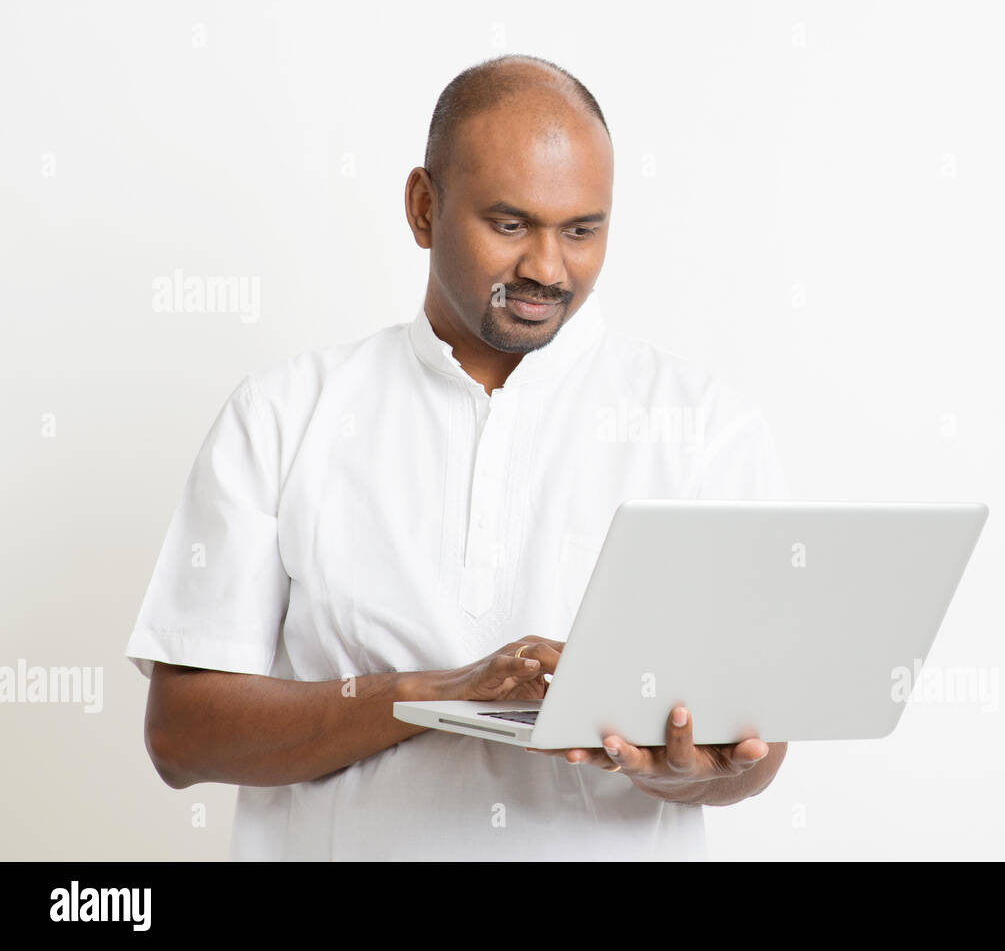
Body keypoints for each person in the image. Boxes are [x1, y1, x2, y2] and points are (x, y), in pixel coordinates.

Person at [127, 53, 788, 860]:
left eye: (582, 230)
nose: (548, 268)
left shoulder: (704, 427)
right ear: (422, 207)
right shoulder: (283, 413)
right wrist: (419, 694)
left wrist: (694, 773)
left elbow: (757, 747)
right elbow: (182, 734)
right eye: (509, 225)